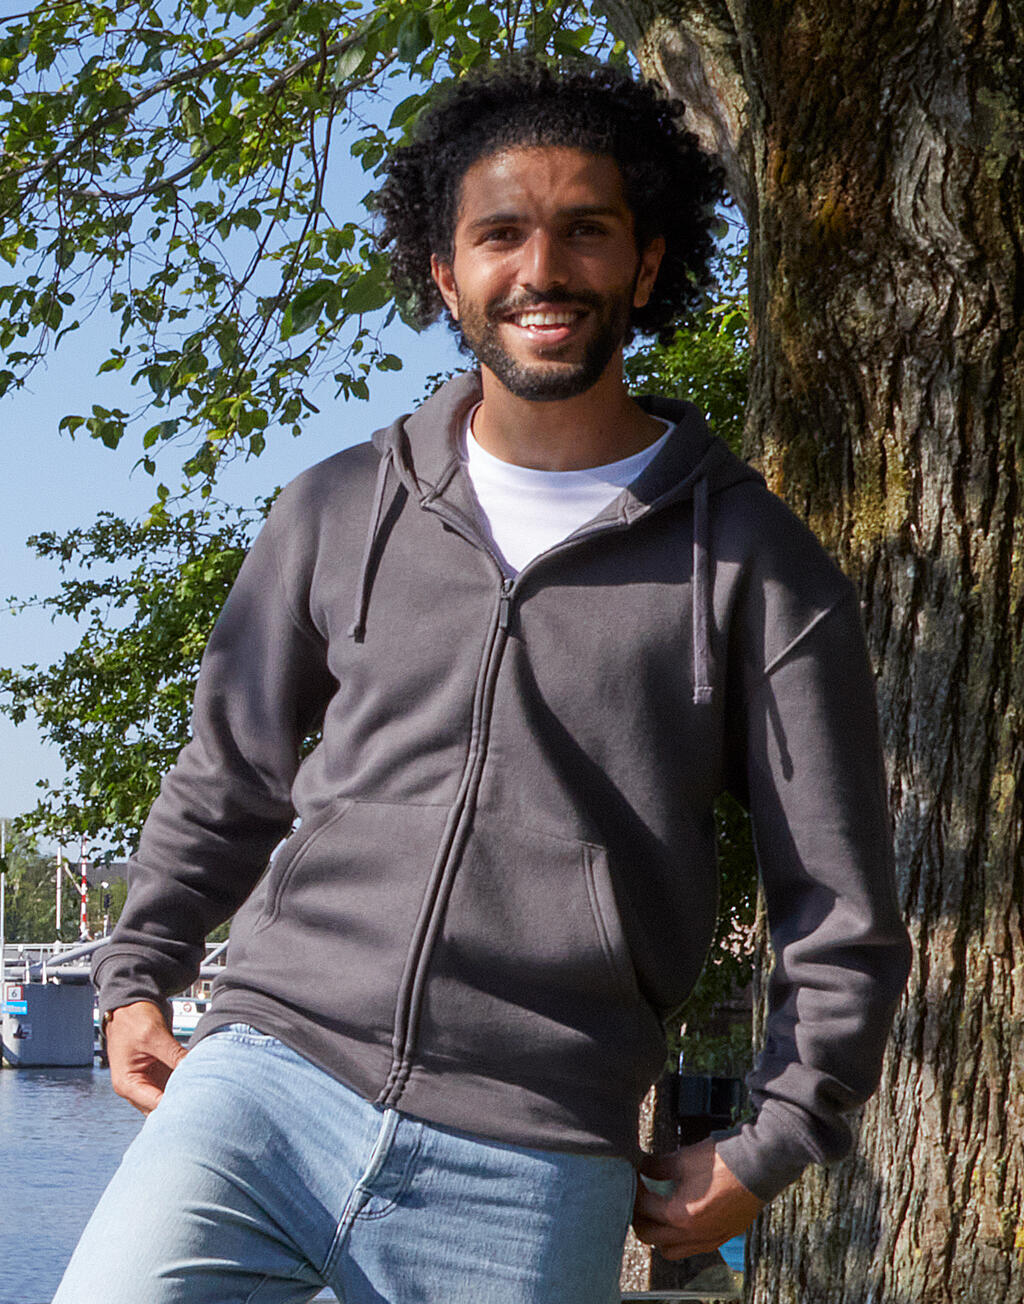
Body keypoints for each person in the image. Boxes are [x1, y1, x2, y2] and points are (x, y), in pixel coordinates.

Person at [55, 58, 911, 1304]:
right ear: (446, 275)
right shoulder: (338, 506)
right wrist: (136, 976)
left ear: (648, 264)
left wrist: (772, 1138)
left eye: (586, 230)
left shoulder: (756, 565)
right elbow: (226, 777)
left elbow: (836, 901)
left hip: (534, 1142)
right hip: (263, 1082)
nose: (542, 269)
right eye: (500, 234)